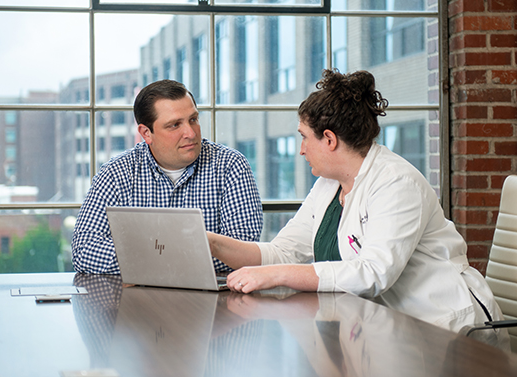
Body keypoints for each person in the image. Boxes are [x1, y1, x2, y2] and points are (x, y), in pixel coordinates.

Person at [207, 69, 508, 340]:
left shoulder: (396, 182)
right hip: (385, 330)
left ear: (329, 139)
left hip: (447, 330)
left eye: (303, 138)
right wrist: (211, 243)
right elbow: (283, 251)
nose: (300, 150)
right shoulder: (328, 183)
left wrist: (278, 275)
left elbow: (373, 273)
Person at [72, 79, 263, 274]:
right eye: (174, 125)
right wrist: (181, 257)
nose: (190, 133)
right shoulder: (116, 173)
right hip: (136, 299)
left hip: (213, 301)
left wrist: (144, 258)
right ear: (146, 133)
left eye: (193, 120)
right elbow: (84, 250)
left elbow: (245, 250)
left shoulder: (230, 165)